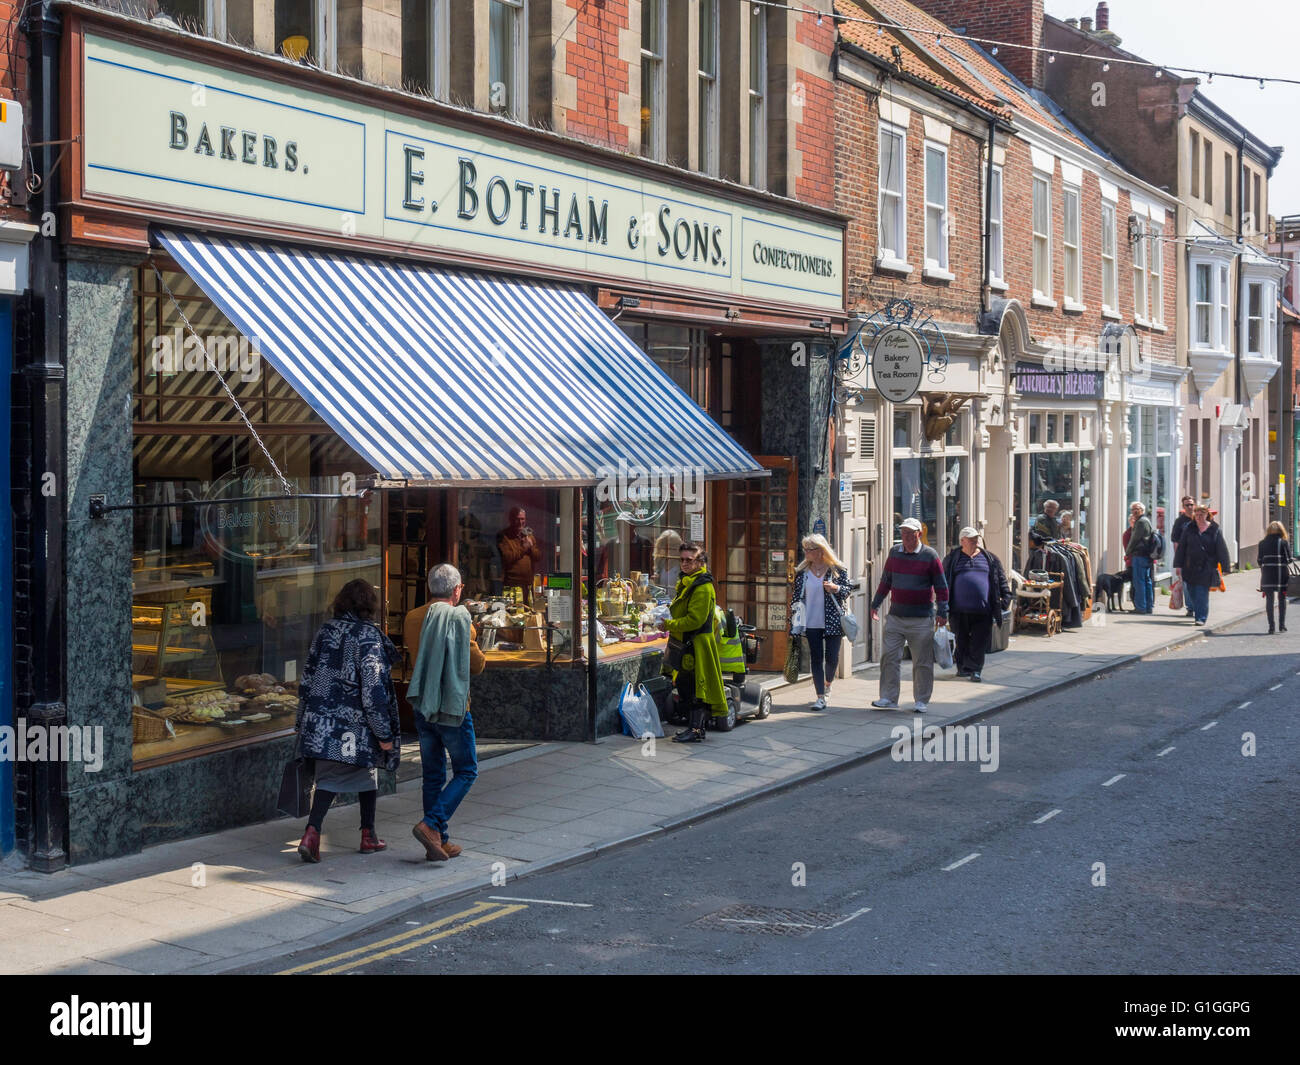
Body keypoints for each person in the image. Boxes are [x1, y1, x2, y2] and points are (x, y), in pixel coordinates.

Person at [295, 579, 400, 863]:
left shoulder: (326, 630)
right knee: (354, 773)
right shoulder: (368, 637)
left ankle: (330, 833)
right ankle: (349, 834)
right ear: (369, 606)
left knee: (342, 775)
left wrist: (301, 721)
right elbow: (373, 689)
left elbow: (308, 676)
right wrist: (384, 734)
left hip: (320, 722)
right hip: (353, 727)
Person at [406, 564, 486, 861]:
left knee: (433, 775)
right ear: (457, 590)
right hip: (451, 708)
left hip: (422, 705)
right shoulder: (459, 620)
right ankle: (431, 825)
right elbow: (476, 665)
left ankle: (438, 839)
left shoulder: (413, 618)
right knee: (467, 770)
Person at [870, 517, 949, 713]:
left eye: (909, 533)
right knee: (889, 657)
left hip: (921, 619)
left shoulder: (930, 555)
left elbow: (941, 587)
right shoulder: (894, 553)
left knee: (921, 661)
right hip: (896, 616)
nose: (905, 537)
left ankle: (921, 700)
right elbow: (886, 580)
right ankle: (888, 697)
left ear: (919, 534)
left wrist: (943, 611)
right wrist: (875, 604)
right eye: (903, 533)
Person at [661, 541, 726, 743]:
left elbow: (695, 620)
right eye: (681, 560)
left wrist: (669, 624)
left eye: (689, 560)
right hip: (687, 643)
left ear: (700, 561)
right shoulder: (688, 581)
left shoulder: (702, 586)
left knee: (694, 685)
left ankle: (696, 729)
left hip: (696, 644)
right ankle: (696, 727)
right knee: (686, 683)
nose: (684, 564)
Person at [790, 533, 853, 710]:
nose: (806, 552)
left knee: (832, 658)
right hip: (811, 621)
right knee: (816, 659)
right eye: (805, 549)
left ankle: (827, 684)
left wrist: (836, 588)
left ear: (820, 551)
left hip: (832, 620)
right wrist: (794, 622)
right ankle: (820, 697)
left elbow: (848, 591)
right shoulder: (802, 572)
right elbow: (796, 598)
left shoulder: (837, 569)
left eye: (809, 549)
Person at [942, 527, 1012, 683]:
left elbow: (1000, 579)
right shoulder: (952, 558)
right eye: (971, 539)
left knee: (979, 642)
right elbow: (943, 581)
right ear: (962, 541)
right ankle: (962, 668)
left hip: (983, 610)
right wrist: (941, 604)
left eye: (976, 538)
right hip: (958, 610)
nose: (975, 541)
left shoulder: (990, 558)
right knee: (961, 640)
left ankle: (975, 670)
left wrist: (1006, 599)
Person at [1172, 503, 1230, 627]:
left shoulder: (1214, 529)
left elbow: (1221, 549)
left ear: (1206, 515)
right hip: (1189, 566)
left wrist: (1225, 567)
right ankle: (1197, 609)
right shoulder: (1189, 528)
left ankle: (1201, 618)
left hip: (1206, 567)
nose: (1198, 517)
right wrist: (1178, 565)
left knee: (1201, 592)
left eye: (1201, 514)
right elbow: (1182, 547)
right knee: (1192, 591)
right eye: (1196, 514)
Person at [497, 506, 541, 597]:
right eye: (517, 519)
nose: (520, 522)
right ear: (511, 520)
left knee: (528, 610)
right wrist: (524, 548)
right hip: (512, 584)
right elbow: (507, 557)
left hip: (529, 584)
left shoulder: (529, 535)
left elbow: (538, 557)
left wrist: (531, 547)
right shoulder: (504, 536)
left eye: (522, 519)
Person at [1258, 521, 1292, 634]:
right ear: (1281, 530)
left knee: (1269, 600)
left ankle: (1271, 627)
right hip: (1281, 574)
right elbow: (1289, 559)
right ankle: (1282, 626)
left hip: (1267, 574)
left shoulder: (1262, 543)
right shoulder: (1283, 542)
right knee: (1282, 599)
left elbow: (1259, 560)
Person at [1126, 501, 1156, 614]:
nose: (1134, 511)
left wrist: (1128, 552)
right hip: (1146, 556)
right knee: (1146, 581)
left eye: (1137, 509)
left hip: (1140, 555)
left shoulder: (1141, 522)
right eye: (1133, 509)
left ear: (1142, 510)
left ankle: (1141, 607)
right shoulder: (1146, 520)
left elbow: (1134, 539)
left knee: (1139, 581)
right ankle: (1148, 606)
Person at [1171, 496, 1197, 617]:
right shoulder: (1180, 522)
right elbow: (1175, 542)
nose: (1190, 507)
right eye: (1187, 505)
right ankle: (1190, 608)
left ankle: (1199, 606)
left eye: (1191, 504)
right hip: (1185, 558)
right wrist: (1178, 562)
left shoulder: (1200, 519)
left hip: (1199, 558)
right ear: (1183, 507)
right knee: (1186, 584)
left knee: (1199, 584)